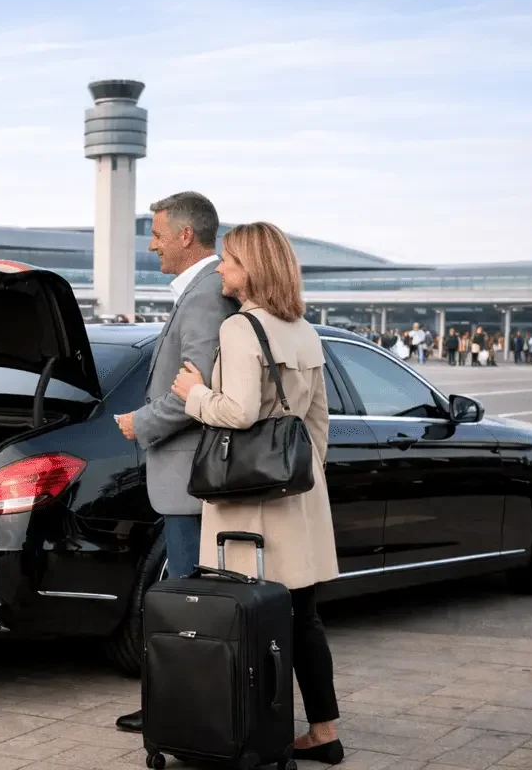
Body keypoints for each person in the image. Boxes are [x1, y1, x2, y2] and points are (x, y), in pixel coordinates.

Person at [172, 222, 342, 766]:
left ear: (252, 269)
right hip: (299, 496)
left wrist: (194, 393)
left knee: (249, 619)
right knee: (303, 618)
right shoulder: (305, 330)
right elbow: (318, 423)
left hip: (250, 501)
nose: (221, 267)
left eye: (229, 259)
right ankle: (324, 731)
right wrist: (301, 474)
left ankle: (248, 730)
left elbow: (239, 412)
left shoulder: (241, 329)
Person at [111, 192, 238, 734]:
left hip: (189, 480)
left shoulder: (206, 294)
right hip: (183, 480)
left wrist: (142, 422)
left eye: (158, 234)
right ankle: (183, 707)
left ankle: (183, 711)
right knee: (189, 599)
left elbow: (196, 388)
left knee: (190, 604)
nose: (152, 245)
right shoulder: (200, 290)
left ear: (186, 235)